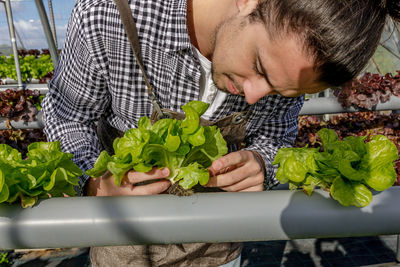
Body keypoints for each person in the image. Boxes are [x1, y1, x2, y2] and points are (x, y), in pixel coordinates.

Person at [41, 0, 399, 266]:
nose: (256, 95)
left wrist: (263, 163)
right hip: (123, 243)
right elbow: (65, 115)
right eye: (259, 66)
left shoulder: (288, 69)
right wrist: (95, 182)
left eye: (279, 92)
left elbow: (276, 135)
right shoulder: (108, 18)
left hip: (218, 249)